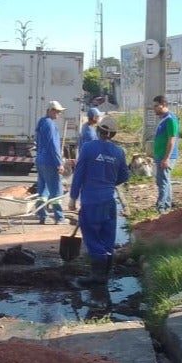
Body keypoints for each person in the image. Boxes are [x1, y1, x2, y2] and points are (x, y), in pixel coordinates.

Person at [69, 115, 129, 286]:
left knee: (92, 236)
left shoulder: (88, 148)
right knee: (107, 236)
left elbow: (78, 175)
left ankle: (97, 275)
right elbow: (124, 175)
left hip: (91, 202)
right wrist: (109, 182)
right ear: (113, 134)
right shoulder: (119, 152)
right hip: (109, 202)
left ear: (98, 130)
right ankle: (106, 272)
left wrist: (73, 198)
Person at [35, 100, 68, 225]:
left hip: (40, 160)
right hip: (49, 162)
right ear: (50, 111)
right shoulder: (50, 125)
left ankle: (42, 215)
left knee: (43, 190)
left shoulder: (42, 122)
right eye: (57, 111)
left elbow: (38, 142)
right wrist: (59, 163)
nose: (58, 114)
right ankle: (59, 217)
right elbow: (54, 146)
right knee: (56, 191)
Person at [152, 95, 180, 213]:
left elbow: (172, 139)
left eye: (156, 106)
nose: (154, 109)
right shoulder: (164, 119)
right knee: (164, 181)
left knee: (162, 181)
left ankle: (161, 207)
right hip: (161, 156)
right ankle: (167, 205)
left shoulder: (170, 119)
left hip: (166, 157)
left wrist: (166, 158)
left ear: (163, 105)